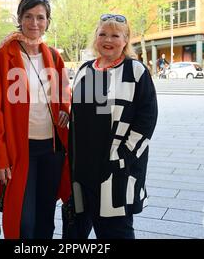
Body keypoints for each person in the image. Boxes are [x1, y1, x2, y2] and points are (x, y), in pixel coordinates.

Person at [68, 14, 158, 239]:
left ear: (126, 39)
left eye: (115, 35)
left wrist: (124, 155)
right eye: (103, 34)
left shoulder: (135, 71)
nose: (108, 39)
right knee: (74, 229)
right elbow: (79, 115)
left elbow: (147, 119)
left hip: (117, 170)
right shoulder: (85, 70)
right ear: (95, 38)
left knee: (116, 230)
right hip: (82, 171)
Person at [0, 0, 71, 239]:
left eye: (40, 17)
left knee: (46, 218)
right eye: (28, 17)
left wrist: (65, 110)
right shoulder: (6, 54)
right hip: (20, 149)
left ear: (48, 21)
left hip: (51, 148)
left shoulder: (54, 55)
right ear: (19, 18)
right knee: (23, 220)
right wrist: (0, 158)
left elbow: (64, 91)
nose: (34, 23)